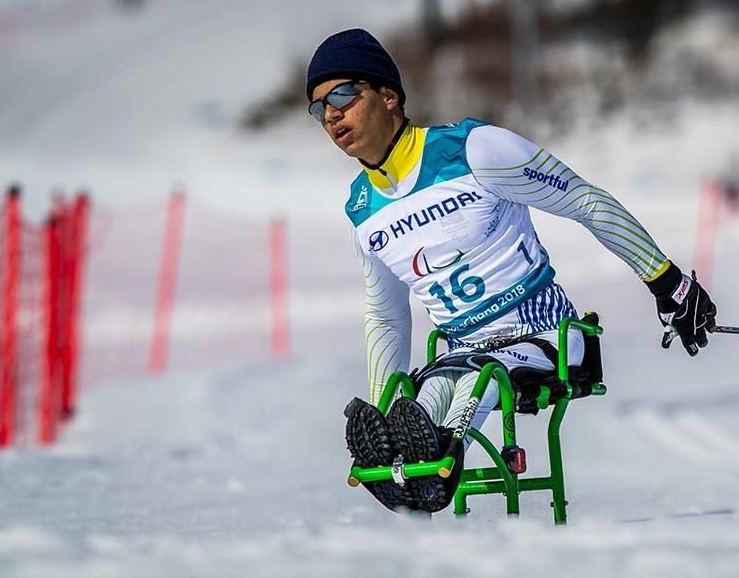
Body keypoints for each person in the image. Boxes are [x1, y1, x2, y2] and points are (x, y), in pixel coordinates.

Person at [306, 28, 717, 513]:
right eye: (319, 108)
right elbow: (387, 316)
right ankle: (401, 449)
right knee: (433, 387)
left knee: (470, 380)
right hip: (462, 350)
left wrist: (669, 283)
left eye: (343, 94)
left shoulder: (475, 150)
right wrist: (381, 406)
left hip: (546, 334)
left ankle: (437, 459)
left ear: (389, 95)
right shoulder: (363, 210)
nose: (332, 114)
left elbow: (583, 201)